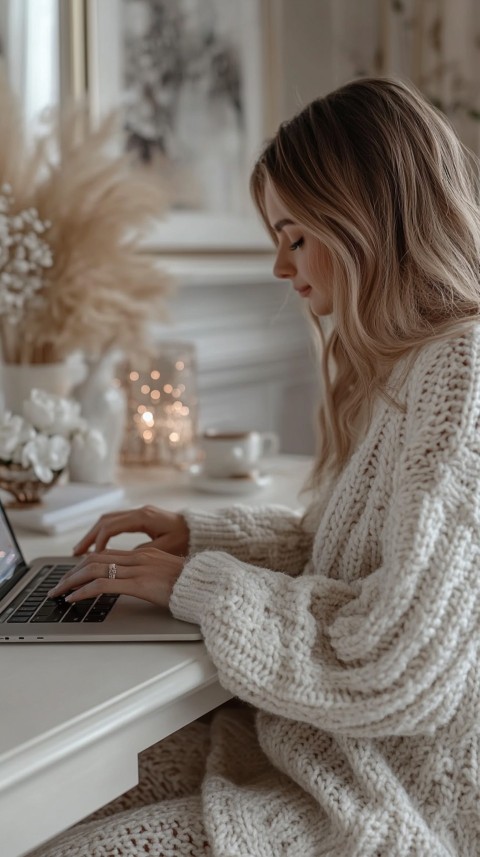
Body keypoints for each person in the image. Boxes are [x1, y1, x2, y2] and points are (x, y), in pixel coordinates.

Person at [31, 76, 480, 857]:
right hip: (319, 750)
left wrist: (200, 585)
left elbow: (400, 669)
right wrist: (196, 536)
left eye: (294, 235)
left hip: (389, 792)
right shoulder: (408, 368)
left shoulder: (462, 372)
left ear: (364, 221)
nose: (281, 267)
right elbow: (346, 557)